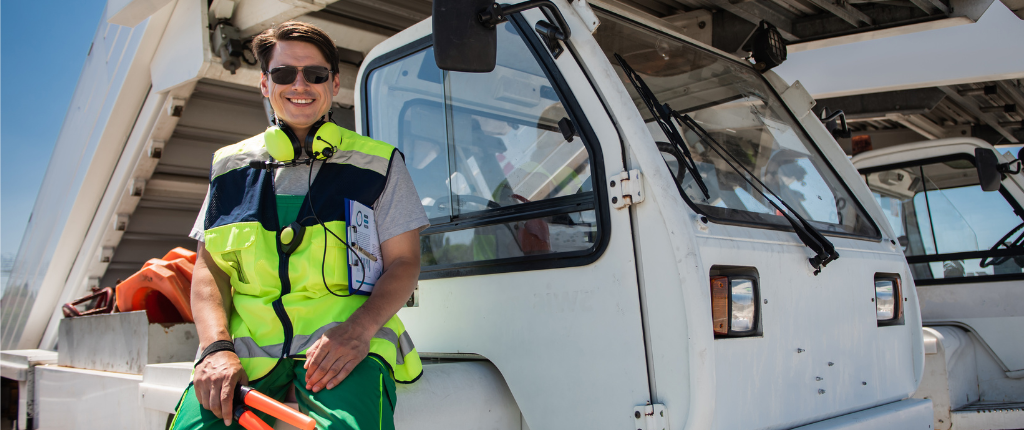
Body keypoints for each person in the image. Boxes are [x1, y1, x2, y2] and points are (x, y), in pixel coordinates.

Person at [170, 21, 428, 430]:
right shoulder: (229, 165)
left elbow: (405, 262)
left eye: (315, 74)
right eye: (284, 73)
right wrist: (216, 348)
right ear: (264, 84)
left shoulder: (380, 163)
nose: (300, 85)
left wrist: (358, 331)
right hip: (244, 355)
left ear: (335, 84)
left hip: (347, 346)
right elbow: (209, 270)